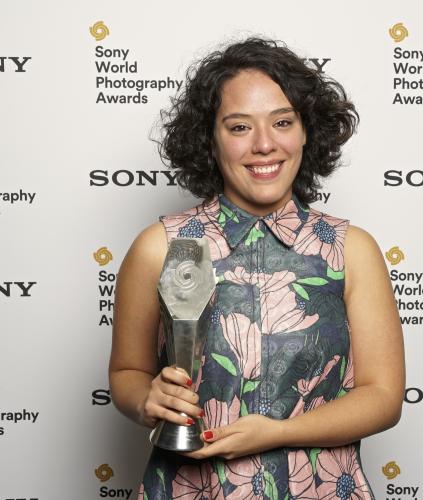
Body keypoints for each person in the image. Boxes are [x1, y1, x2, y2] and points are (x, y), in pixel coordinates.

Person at [109, 37, 405, 499]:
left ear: (306, 131)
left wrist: (278, 433)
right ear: (210, 138)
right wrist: (148, 399)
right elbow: (127, 372)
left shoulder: (351, 250)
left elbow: (383, 398)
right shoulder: (161, 246)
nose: (265, 144)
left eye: (282, 122)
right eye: (239, 127)